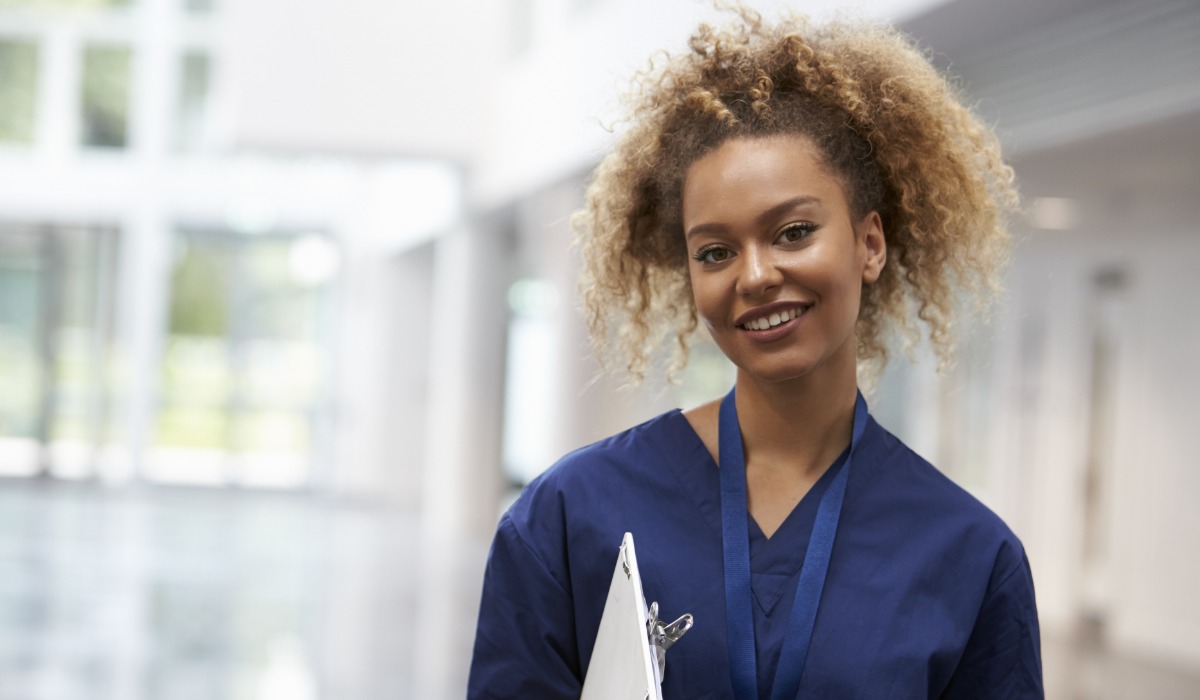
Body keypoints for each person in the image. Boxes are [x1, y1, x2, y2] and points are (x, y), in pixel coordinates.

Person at [468, 6, 1042, 699]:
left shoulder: (968, 556)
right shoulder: (571, 514)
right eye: (715, 251)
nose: (755, 274)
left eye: (793, 231)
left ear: (870, 243)